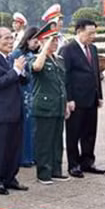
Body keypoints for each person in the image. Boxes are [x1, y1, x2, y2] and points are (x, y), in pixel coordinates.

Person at [0, 27, 29, 196]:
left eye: (11, 38)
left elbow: (24, 81)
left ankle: (10, 177)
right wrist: (15, 71)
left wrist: (22, 71)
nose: (10, 42)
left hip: (16, 110)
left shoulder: (12, 58)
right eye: (6, 38)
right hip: (0, 112)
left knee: (14, 147)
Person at [60, 19, 105, 178]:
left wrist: (99, 95)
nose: (93, 36)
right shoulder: (67, 49)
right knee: (74, 133)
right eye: (90, 33)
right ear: (79, 31)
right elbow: (65, 76)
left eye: (94, 33)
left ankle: (87, 162)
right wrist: (69, 99)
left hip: (91, 98)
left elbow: (96, 74)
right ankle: (74, 165)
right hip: (76, 99)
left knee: (90, 132)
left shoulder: (92, 48)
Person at [29, 24, 71, 184]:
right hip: (44, 107)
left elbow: (62, 84)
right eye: (50, 40)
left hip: (58, 105)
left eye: (55, 40)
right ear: (41, 41)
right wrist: (45, 48)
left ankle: (56, 170)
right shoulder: (35, 58)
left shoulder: (59, 60)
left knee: (57, 141)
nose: (54, 43)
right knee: (44, 141)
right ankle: (44, 173)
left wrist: (65, 104)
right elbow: (37, 67)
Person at [11, 26, 40, 168]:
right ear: (27, 39)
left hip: (35, 91)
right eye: (35, 40)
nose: (37, 43)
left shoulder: (37, 54)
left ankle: (34, 155)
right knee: (25, 126)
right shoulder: (18, 53)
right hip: (24, 92)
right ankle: (24, 157)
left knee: (35, 126)